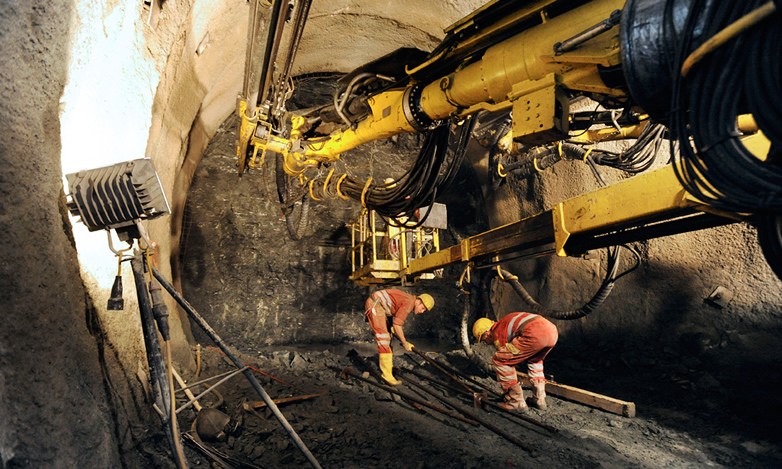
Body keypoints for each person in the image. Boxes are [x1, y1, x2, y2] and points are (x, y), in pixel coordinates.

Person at [473, 312, 558, 411]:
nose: (487, 344)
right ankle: (539, 399)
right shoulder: (504, 322)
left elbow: (507, 360)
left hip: (534, 333)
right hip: (552, 332)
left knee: (500, 359)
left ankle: (516, 401)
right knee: (535, 360)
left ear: (487, 334)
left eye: (483, 340)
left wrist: (507, 390)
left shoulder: (498, 333)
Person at [365, 289, 434, 385]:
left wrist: (391, 327)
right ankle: (387, 375)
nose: (422, 311)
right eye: (423, 308)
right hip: (375, 304)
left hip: (379, 304)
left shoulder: (409, 300)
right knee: (384, 339)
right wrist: (405, 343)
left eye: (424, 310)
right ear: (419, 301)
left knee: (388, 336)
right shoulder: (409, 303)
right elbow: (398, 325)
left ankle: (388, 369)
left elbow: (393, 306)